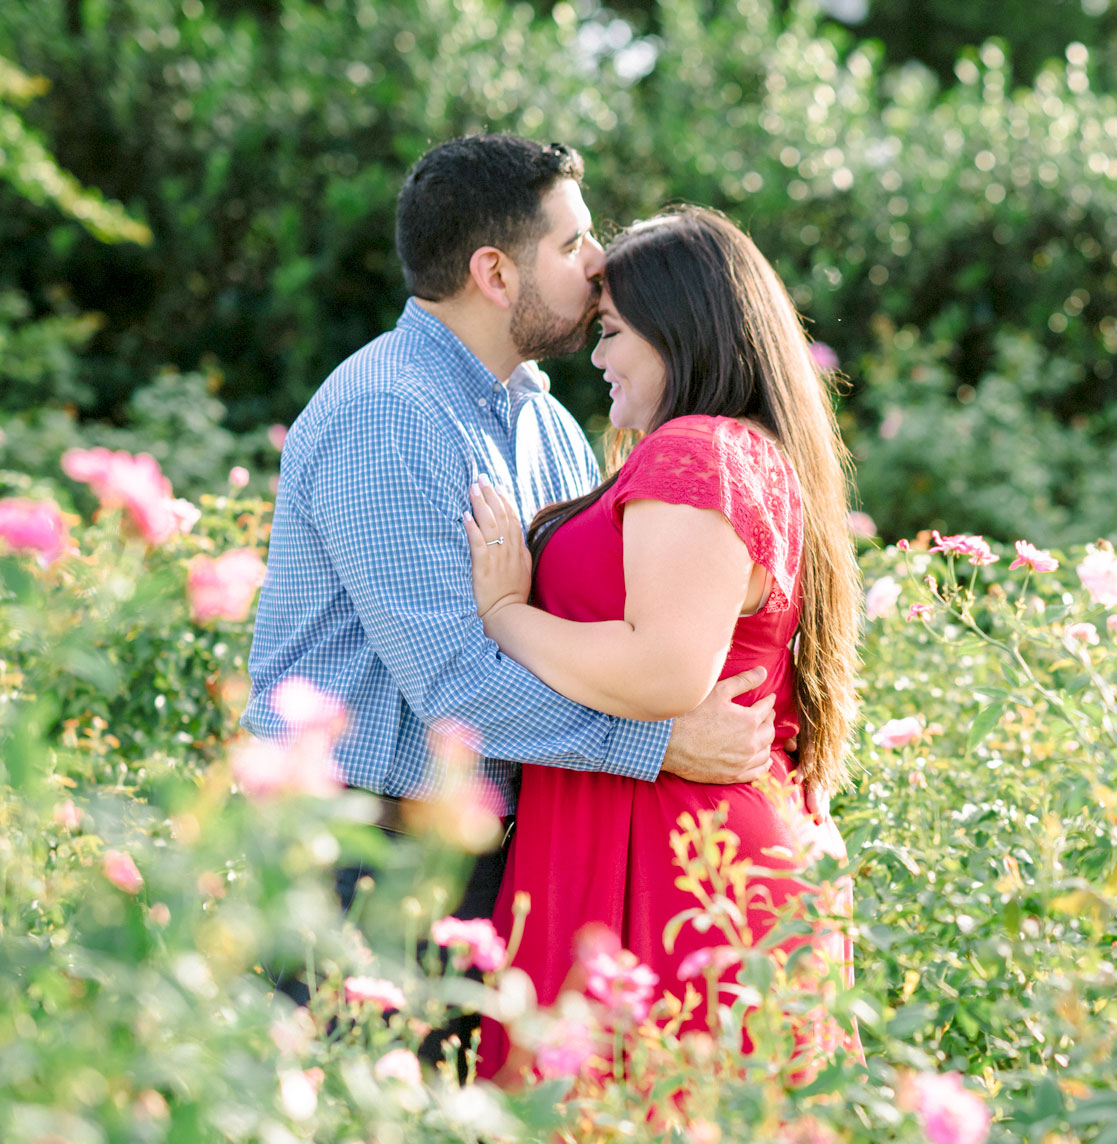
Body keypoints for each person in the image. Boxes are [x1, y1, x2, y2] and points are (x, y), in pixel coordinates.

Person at [245, 137, 775, 1055]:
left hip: (489, 854)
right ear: (495, 272)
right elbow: (452, 681)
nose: (600, 261)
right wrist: (661, 743)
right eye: (572, 244)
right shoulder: (387, 412)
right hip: (364, 854)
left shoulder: (546, 420)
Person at [460, 205, 860, 1084]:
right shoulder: (737, 452)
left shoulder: (696, 453)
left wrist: (506, 614)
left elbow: (667, 670)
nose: (597, 358)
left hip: (671, 865)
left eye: (611, 333)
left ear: (678, 330)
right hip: (673, 844)